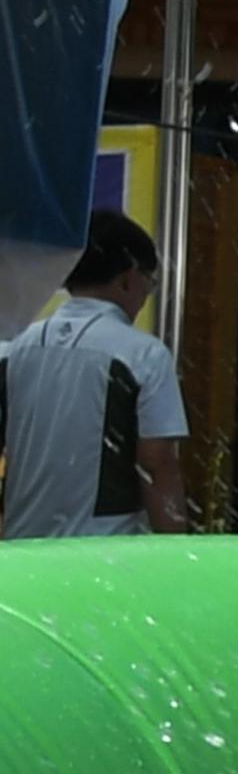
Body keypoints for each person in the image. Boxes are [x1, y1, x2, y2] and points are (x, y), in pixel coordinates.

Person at [0, 211, 184, 540]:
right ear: (129, 278)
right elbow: (157, 465)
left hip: (23, 553)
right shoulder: (143, 355)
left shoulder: (14, 349)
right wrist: (180, 551)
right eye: (149, 284)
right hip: (107, 558)